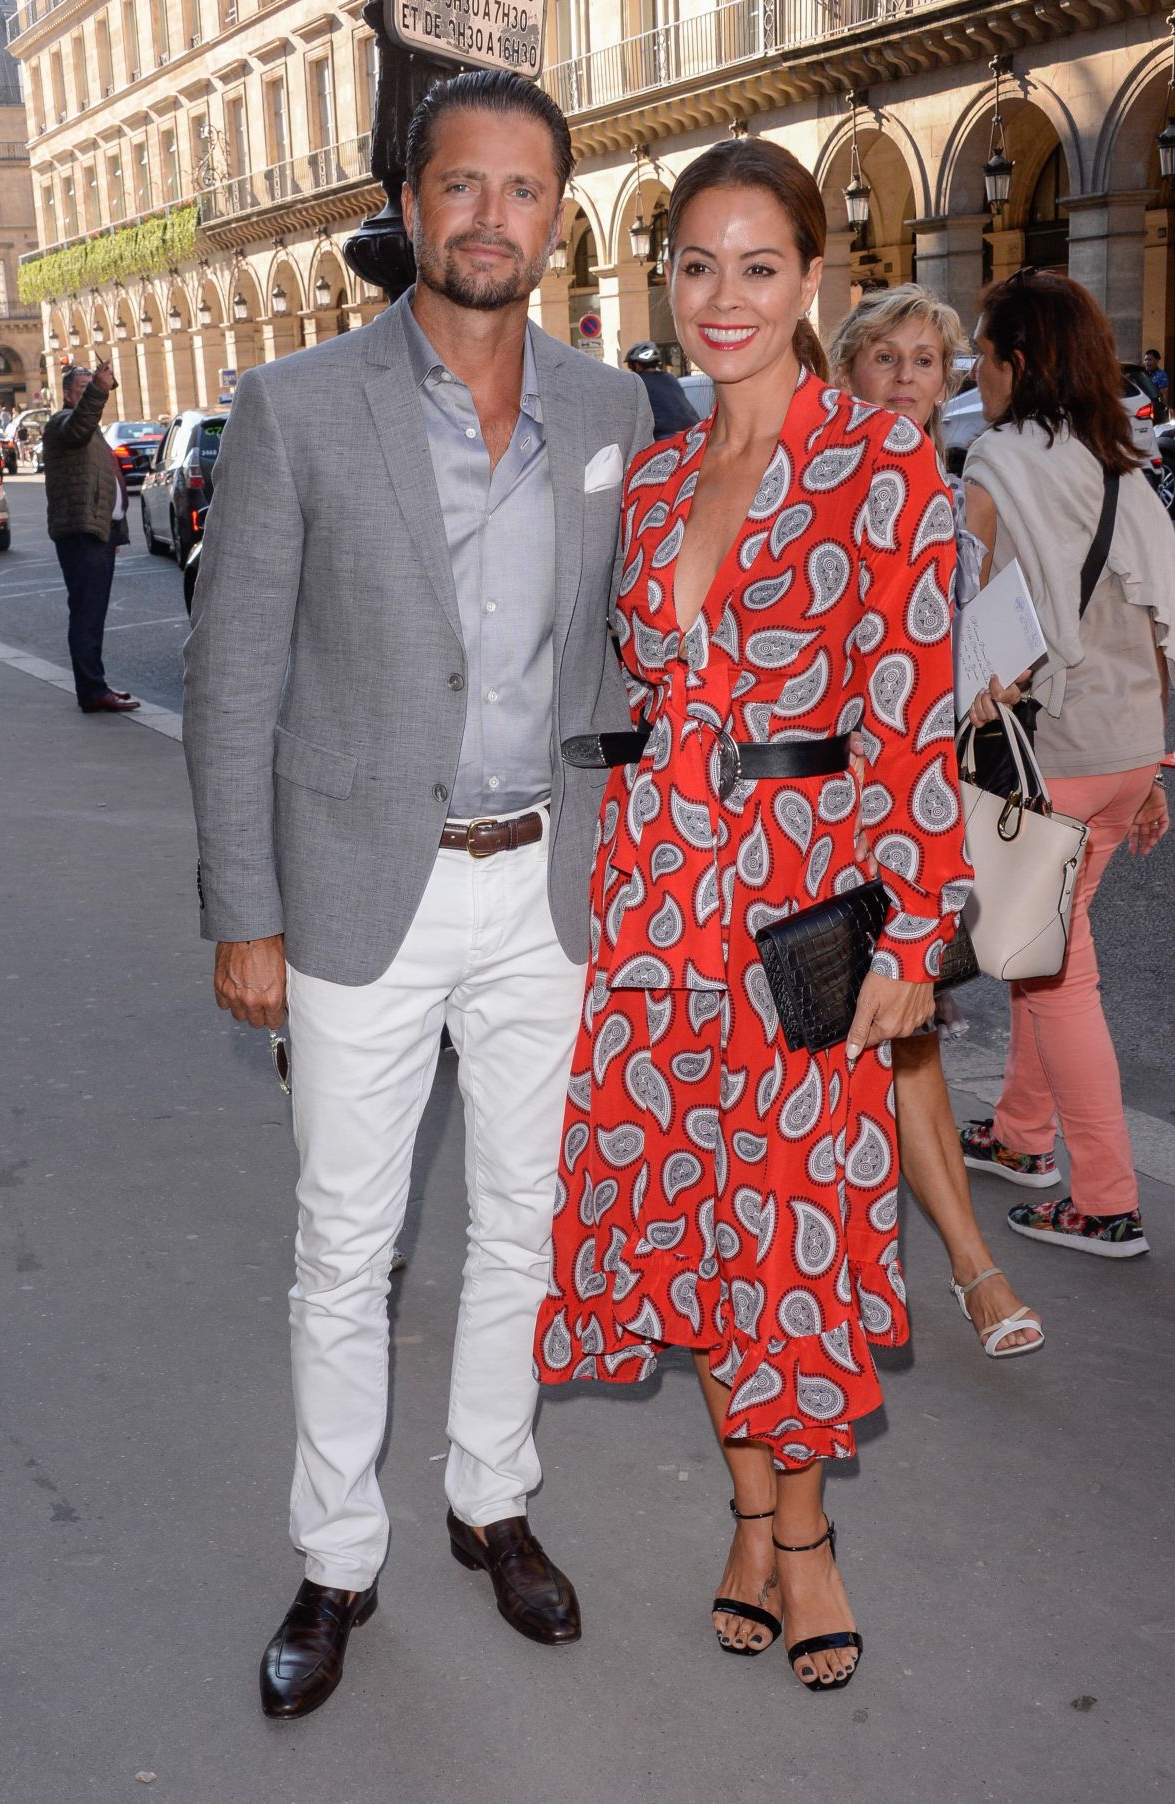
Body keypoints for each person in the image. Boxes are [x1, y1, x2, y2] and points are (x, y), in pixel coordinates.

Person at [183, 70, 653, 1721]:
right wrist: (244, 907)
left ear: (554, 216)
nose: (489, 218)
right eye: (460, 186)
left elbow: (632, 653)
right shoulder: (298, 401)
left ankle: (489, 1499)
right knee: (345, 1245)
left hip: (549, 888)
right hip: (357, 891)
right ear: (407, 198)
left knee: (523, 1224)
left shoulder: (610, 415)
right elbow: (236, 673)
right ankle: (335, 1552)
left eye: (524, 192)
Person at [535, 140, 972, 1693]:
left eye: (760, 267)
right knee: (713, 1243)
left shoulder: (880, 464)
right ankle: (745, 1517)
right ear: (669, 282)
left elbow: (918, 720)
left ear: (817, 282)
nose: (727, 298)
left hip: (803, 917)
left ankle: (804, 1544)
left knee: (796, 1235)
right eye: (700, 267)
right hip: (660, 906)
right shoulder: (654, 474)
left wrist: (915, 939)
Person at [827, 284, 1042, 1359]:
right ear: (848, 371)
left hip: (926, 805)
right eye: (887, 358)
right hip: (832, 809)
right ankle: (972, 1271)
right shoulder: (815, 487)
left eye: (929, 361)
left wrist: (990, 683)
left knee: (900, 1043)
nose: (909, 378)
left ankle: (941, 1272)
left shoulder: (965, 501)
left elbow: (959, 644)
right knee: (894, 1043)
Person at [957, 271, 1173, 1257]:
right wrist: (1156, 765)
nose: (972, 371)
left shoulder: (996, 459)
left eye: (980, 352)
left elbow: (966, 613)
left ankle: (1104, 1195)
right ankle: (1017, 1133)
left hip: (1053, 756)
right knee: (1042, 945)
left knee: (1057, 972)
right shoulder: (1121, 458)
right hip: (1128, 745)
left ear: (1019, 361)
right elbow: (1160, 615)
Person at [42, 362, 139, 714]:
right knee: (86, 614)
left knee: (92, 615)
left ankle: (95, 685)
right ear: (67, 395)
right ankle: (93, 691)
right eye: (83, 389)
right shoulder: (61, 425)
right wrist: (98, 389)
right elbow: (79, 424)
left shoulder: (89, 428)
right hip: (81, 532)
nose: (89, 395)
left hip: (97, 532)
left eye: (92, 388)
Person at [623, 340, 700, 437]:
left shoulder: (638, 383)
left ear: (637, 365)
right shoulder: (670, 378)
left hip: (663, 438)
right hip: (691, 434)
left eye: (631, 365)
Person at [1142, 347, 1168, 423]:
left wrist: (1164, 409)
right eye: (1145, 360)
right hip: (1142, 406)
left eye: (1150, 360)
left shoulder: (1161, 375)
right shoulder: (1142, 375)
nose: (1147, 362)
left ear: (1157, 360)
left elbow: (1164, 394)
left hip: (1155, 408)